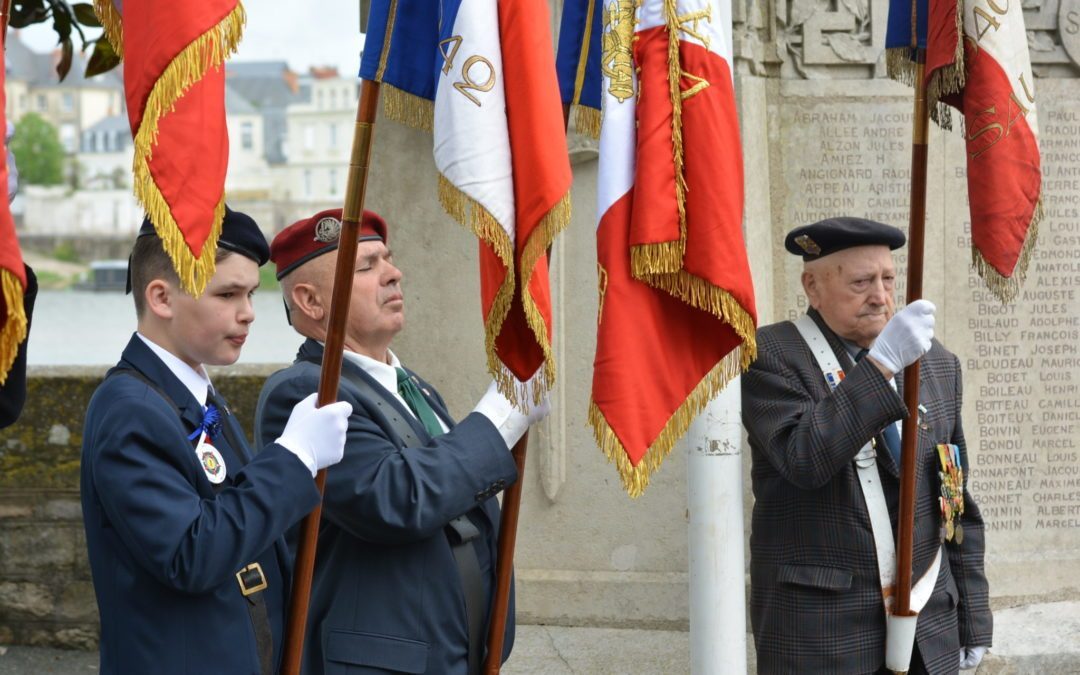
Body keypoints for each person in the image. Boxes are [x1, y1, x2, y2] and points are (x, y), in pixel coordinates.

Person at [255, 208, 548, 674]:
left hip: (455, 655)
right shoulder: (308, 391)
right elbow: (397, 498)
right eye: (367, 266)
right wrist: (498, 421)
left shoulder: (414, 387)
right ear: (310, 301)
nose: (394, 274)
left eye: (388, 260)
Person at [80, 208, 352, 675]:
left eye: (250, 293)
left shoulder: (189, 393)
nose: (247, 313)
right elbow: (193, 554)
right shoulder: (131, 409)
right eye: (227, 294)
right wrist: (294, 457)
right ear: (162, 297)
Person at [741, 217, 992, 674]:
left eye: (888, 279)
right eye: (861, 282)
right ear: (812, 287)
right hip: (822, 639)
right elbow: (804, 458)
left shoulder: (936, 364)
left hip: (927, 632)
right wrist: (880, 368)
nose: (880, 296)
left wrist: (973, 619)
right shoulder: (772, 356)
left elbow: (954, 505)